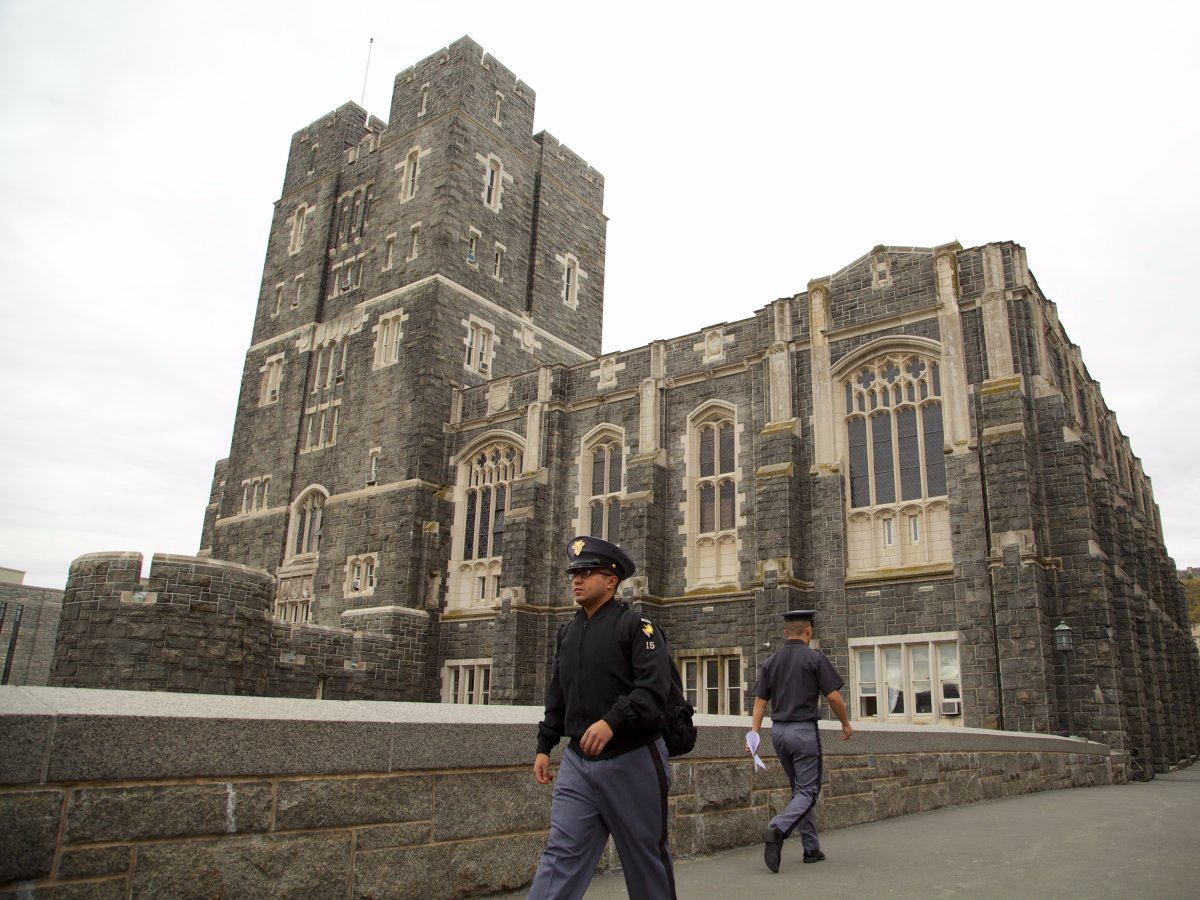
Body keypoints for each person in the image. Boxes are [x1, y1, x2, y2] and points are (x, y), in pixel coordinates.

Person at [527, 535, 677, 900]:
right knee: (561, 853)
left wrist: (613, 720)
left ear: (611, 581)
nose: (577, 580)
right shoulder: (568, 631)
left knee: (644, 858)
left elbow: (654, 689)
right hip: (578, 762)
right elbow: (558, 693)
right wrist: (545, 744)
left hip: (633, 756)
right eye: (574, 573)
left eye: (587, 572)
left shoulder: (635, 626)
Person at [748, 609, 853, 873]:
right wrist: (845, 723)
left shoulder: (771, 661)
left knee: (800, 791)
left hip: (778, 733)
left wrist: (754, 733)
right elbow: (833, 698)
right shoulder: (814, 658)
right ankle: (777, 828)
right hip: (803, 732)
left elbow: (760, 702)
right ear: (809, 631)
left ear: (786, 632)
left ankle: (811, 848)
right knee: (809, 791)